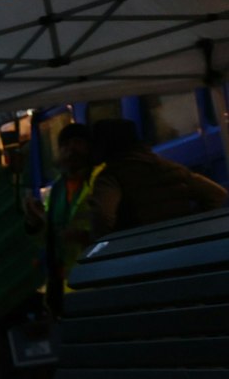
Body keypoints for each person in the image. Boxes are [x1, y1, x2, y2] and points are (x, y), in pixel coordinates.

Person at [88, 117, 226, 237]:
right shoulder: (170, 168)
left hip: (141, 250)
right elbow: (218, 195)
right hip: (183, 243)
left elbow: (103, 215)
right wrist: (194, 222)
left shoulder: (111, 177)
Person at [38, 122, 103, 310]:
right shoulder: (57, 188)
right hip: (67, 284)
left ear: (89, 147)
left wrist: (83, 237)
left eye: (77, 142)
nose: (71, 149)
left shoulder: (100, 178)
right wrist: (35, 222)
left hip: (97, 278)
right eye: (65, 145)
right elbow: (47, 237)